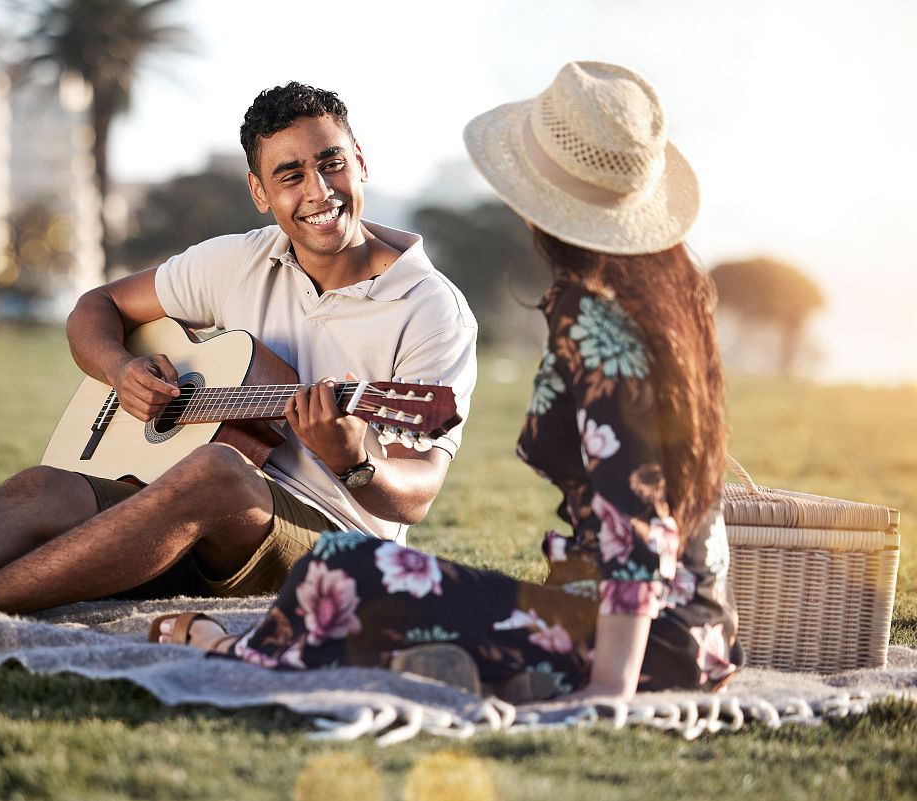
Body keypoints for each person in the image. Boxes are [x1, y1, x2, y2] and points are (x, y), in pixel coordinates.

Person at [0, 82, 478, 645]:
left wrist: (354, 462)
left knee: (219, 472)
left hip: (327, 549)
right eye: (290, 175)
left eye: (331, 163)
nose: (318, 191)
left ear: (360, 162)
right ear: (259, 192)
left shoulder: (431, 307)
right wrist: (119, 369)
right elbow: (96, 306)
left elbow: (415, 495)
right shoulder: (241, 261)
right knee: (46, 487)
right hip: (191, 507)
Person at [150, 62, 744, 704]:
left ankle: (227, 649)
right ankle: (474, 662)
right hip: (697, 629)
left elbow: (638, 519)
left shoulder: (591, 317)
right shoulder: (672, 295)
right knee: (375, 578)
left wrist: (609, 689)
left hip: (631, 639)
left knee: (342, 571)